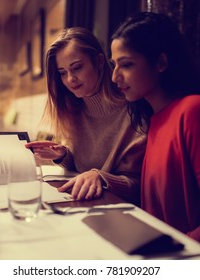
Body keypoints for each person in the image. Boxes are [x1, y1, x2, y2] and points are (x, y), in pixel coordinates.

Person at [110, 12, 200, 259]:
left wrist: (159, 260)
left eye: (127, 64)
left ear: (161, 63)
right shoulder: (154, 118)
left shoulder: (194, 111)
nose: (115, 76)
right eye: (115, 65)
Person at [25, 27, 146, 204]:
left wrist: (102, 178)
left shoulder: (134, 108)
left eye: (77, 68)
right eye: (62, 73)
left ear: (99, 62)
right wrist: (63, 156)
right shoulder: (74, 109)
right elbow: (83, 168)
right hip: (87, 205)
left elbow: (140, 186)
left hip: (122, 211)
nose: (70, 79)